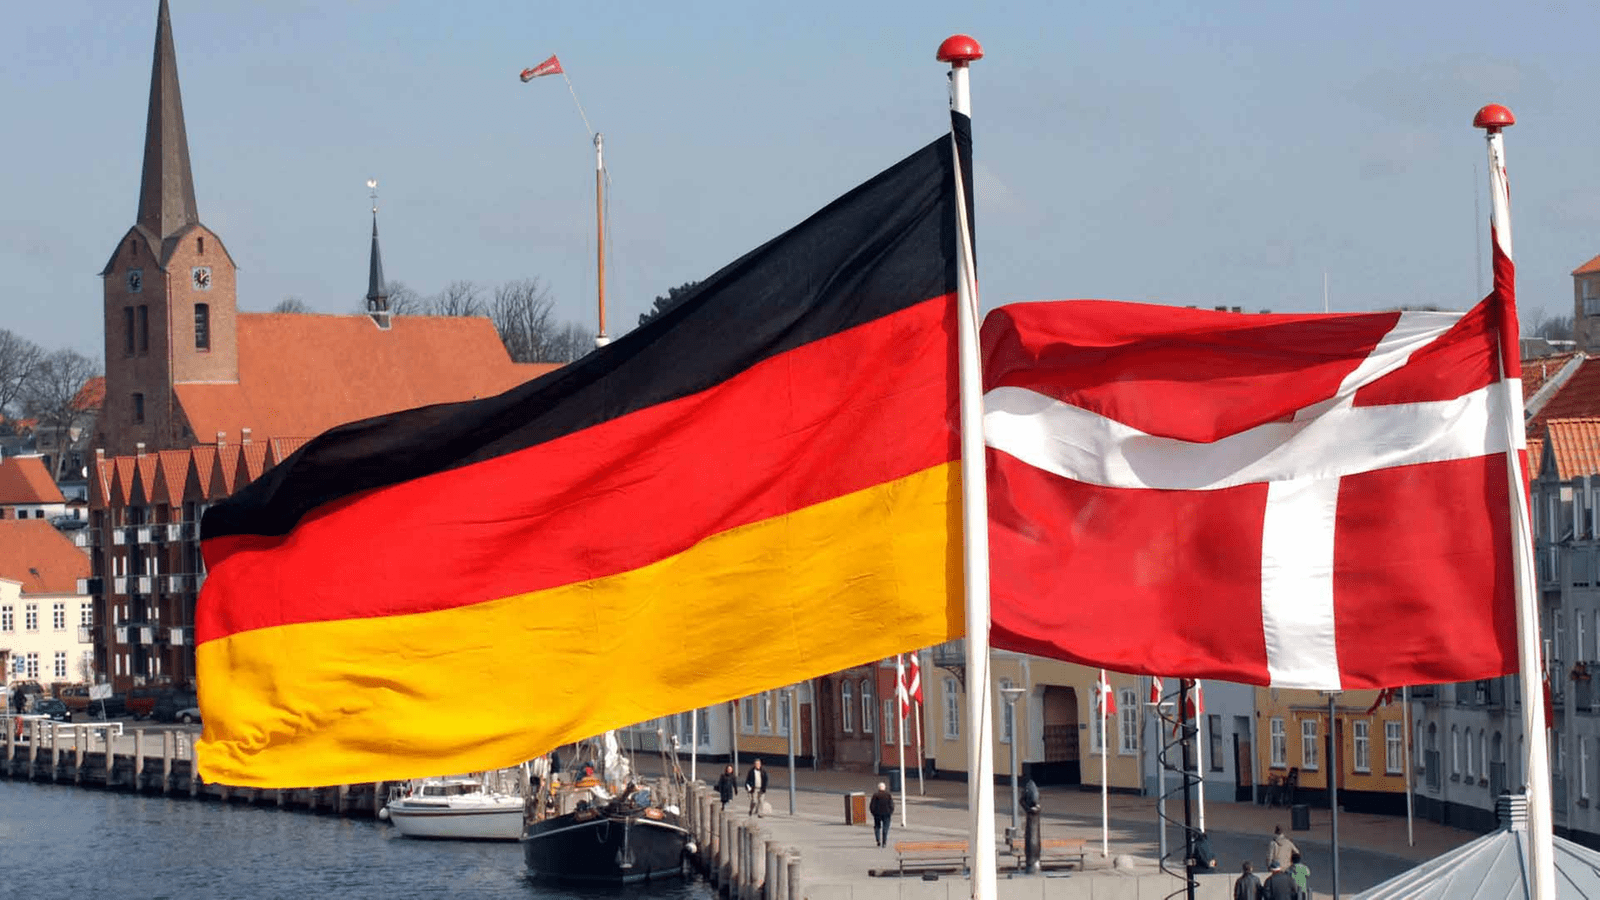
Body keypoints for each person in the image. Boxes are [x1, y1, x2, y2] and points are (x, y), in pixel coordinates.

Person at [869, 781, 894, 847]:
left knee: (877, 827)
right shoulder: (888, 795)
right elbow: (891, 805)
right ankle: (884, 841)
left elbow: (872, 805)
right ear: (884, 788)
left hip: (877, 814)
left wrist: (873, 812)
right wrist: (890, 812)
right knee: (885, 827)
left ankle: (878, 840)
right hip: (886, 813)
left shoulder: (875, 795)